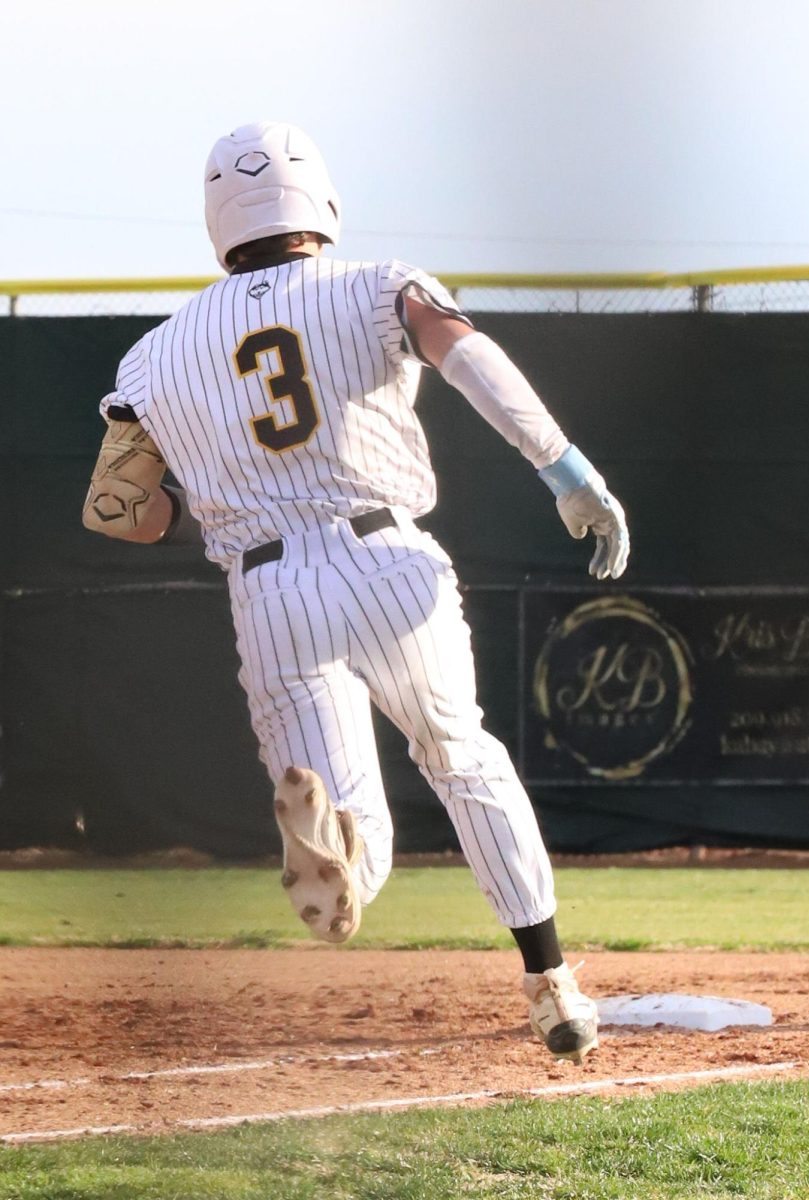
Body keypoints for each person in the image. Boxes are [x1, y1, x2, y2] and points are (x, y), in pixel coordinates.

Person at [83, 121, 630, 1065]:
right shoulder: (375, 283)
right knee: (461, 758)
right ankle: (552, 987)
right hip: (386, 561)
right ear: (319, 201)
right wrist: (566, 469)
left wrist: (194, 501)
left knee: (350, 813)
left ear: (220, 220)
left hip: (268, 587)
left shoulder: (153, 355)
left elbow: (114, 509)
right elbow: (469, 359)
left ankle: (332, 839)